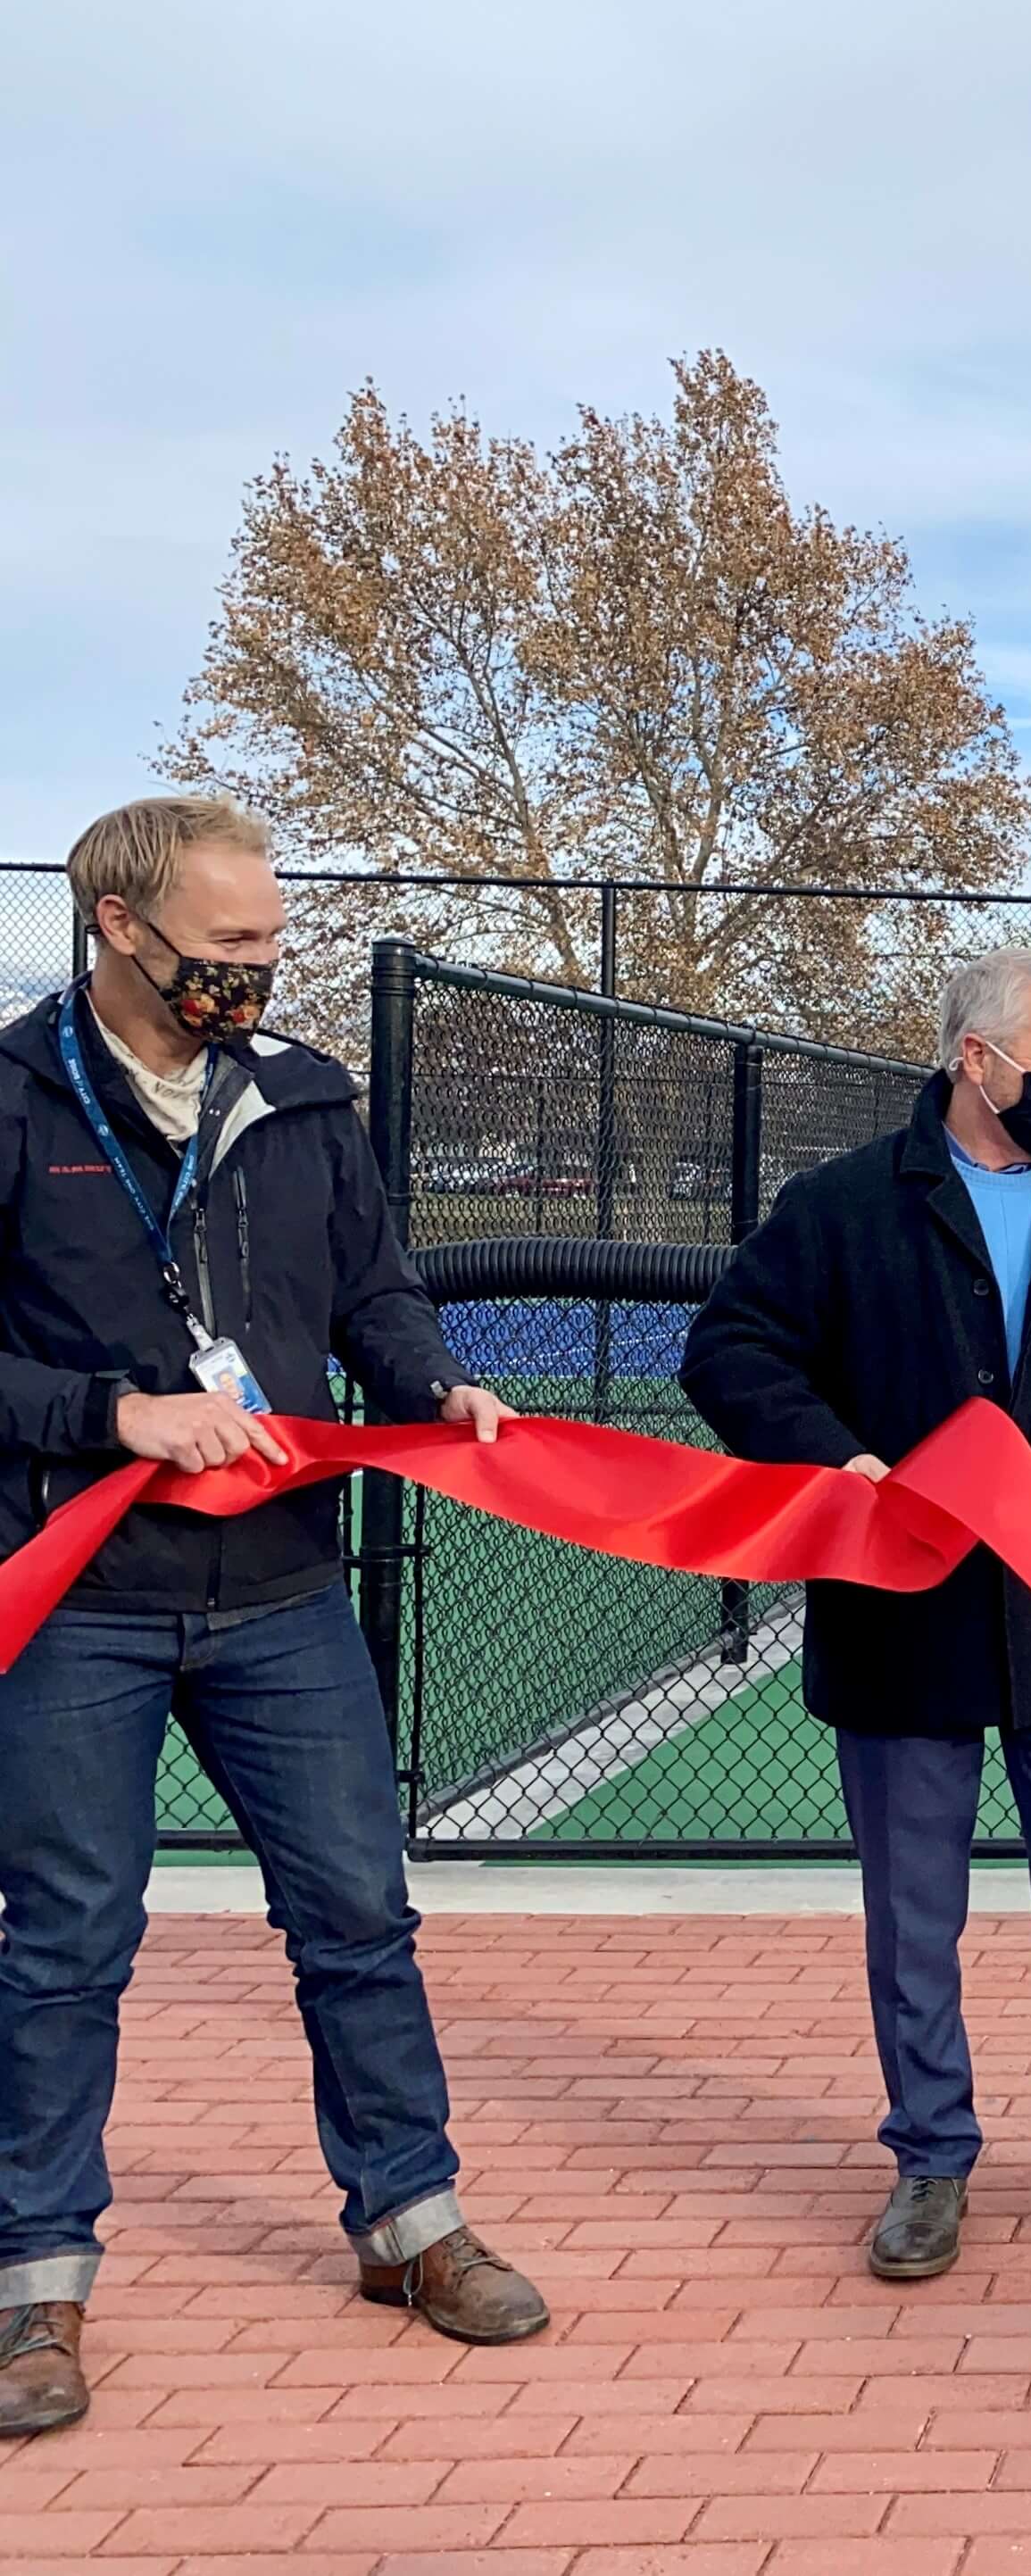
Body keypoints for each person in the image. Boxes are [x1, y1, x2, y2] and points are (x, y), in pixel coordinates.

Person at [0, 797, 545, 2441]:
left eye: (270, 943)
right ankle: (36, 2286)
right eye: (230, 946)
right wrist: (109, 1416)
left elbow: (371, 1288)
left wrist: (437, 1384)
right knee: (66, 1950)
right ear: (118, 926)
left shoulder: (301, 1097)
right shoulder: (16, 1100)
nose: (258, 970)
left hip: (286, 1595)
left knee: (357, 1923)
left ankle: (410, 2225)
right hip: (82, 1603)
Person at [680, 948, 1031, 2284]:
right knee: (913, 1907)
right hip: (896, 1605)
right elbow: (730, 1351)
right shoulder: (844, 1206)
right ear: (975, 1061)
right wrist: (844, 1461)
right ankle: (931, 2157)